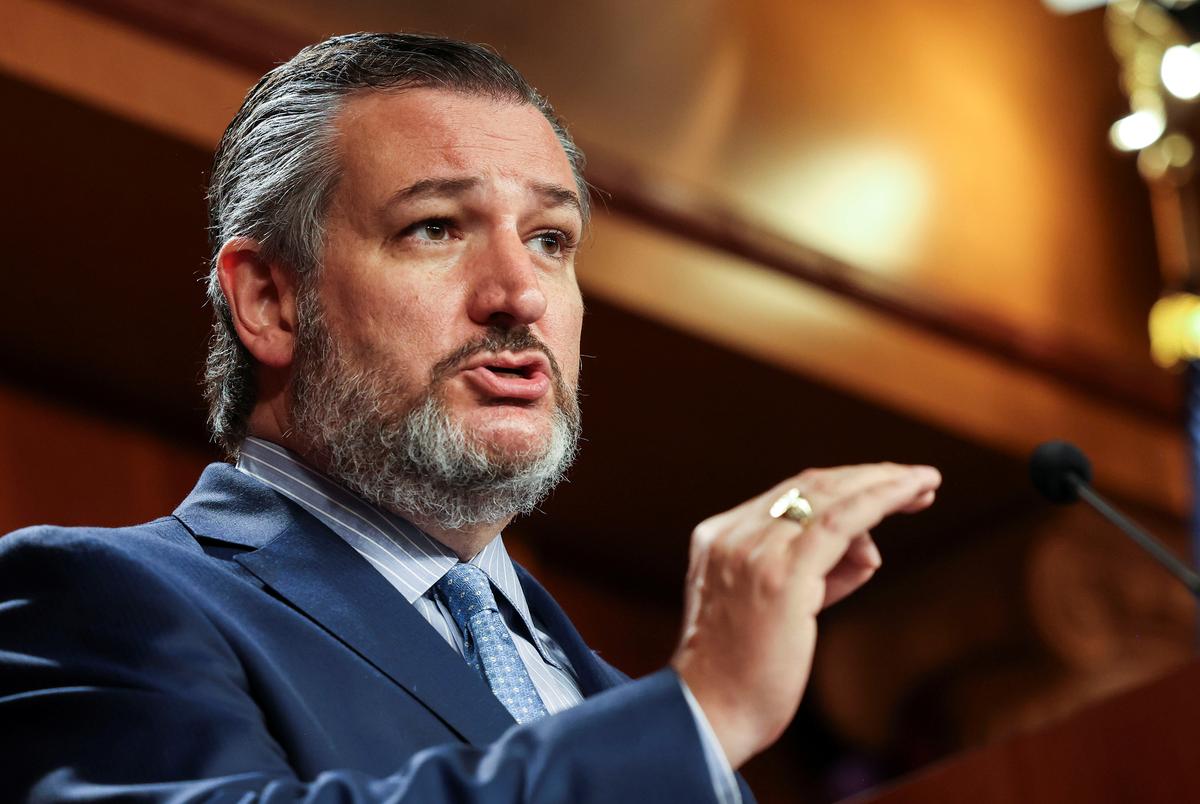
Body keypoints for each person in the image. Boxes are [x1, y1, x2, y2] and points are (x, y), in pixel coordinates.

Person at [0, 32, 941, 803]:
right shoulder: (100, 601)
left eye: (550, 238)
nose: (519, 295)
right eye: (436, 228)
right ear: (270, 301)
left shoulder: (631, 716)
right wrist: (704, 710)